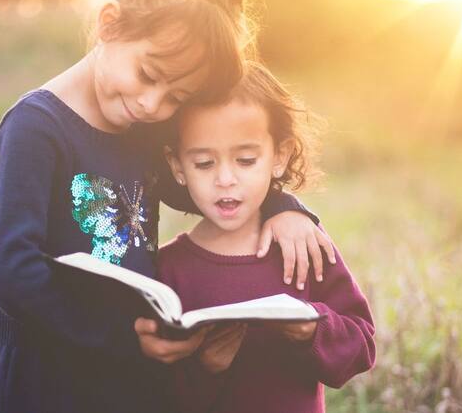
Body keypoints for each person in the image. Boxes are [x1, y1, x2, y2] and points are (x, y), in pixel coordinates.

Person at [0, 0, 335, 411]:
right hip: (45, 372)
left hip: (127, 369)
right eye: (148, 75)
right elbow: (13, 272)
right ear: (109, 23)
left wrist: (285, 206)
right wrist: (123, 338)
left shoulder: (140, 127)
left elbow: (208, 190)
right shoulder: (36, 130)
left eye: (177, 98)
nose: (154, 104)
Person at [158, 62, 376, 413]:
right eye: (203, 164)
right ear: (178, 167)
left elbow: (361, 345)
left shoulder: (302, 244)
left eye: (245, 160)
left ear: (280, 156)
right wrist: (205, 367)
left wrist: (312, 329)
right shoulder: (169, 269)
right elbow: (153, 391)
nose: (225, 178)